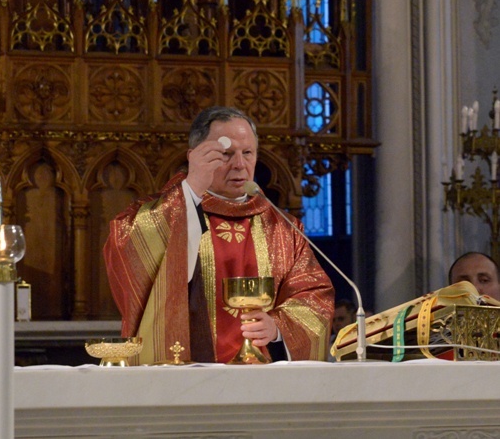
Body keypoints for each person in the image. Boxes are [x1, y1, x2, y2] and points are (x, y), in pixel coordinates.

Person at [104, 106, 335, 364]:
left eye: (247, 153)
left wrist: (278, 328)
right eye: (225, 154)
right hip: (183, 375)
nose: (239, 164)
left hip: (262, 379)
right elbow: (126, 249)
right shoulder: (165, 213)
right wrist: (191, 190)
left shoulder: (281, 226)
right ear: (194, 157)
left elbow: (314, 296)